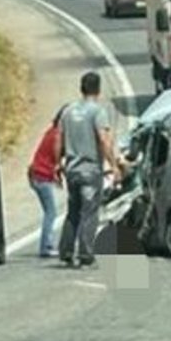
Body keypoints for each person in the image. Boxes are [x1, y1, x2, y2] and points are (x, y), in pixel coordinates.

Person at [54, 72, 123, 268]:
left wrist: (57, 163)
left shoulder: (67, 111)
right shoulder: (97, 112)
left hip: (72, 170)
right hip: (90, 170)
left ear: (81, 88)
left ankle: (66, 251)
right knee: (90, 212)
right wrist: (113, 164)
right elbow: (103, 139)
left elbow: (58, 138)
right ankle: (85, 253)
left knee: (73, 211)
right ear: (98, 90)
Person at [28, 107, 66, 258]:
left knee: (49, 211)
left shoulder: (51, 132)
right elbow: (57, 157)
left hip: (36, 175)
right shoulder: (57, 135)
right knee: (51, 212)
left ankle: (47, 244)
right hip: (41, 176)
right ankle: (45, 247)